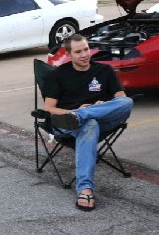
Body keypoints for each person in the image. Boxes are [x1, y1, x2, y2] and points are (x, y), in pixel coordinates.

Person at [44, 34, 133, 211]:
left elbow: (121, 100)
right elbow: (49, 109)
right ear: (69, 55)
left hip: (102, 118)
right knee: (89, 125)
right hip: (68, 123)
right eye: (78, 52)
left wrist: (101, 106)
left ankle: (83, 114)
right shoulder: (58, 75)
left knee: (128, 102)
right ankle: (85, 188)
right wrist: (73, 112)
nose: (84, 54)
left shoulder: (104, 71)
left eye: (86, 49)